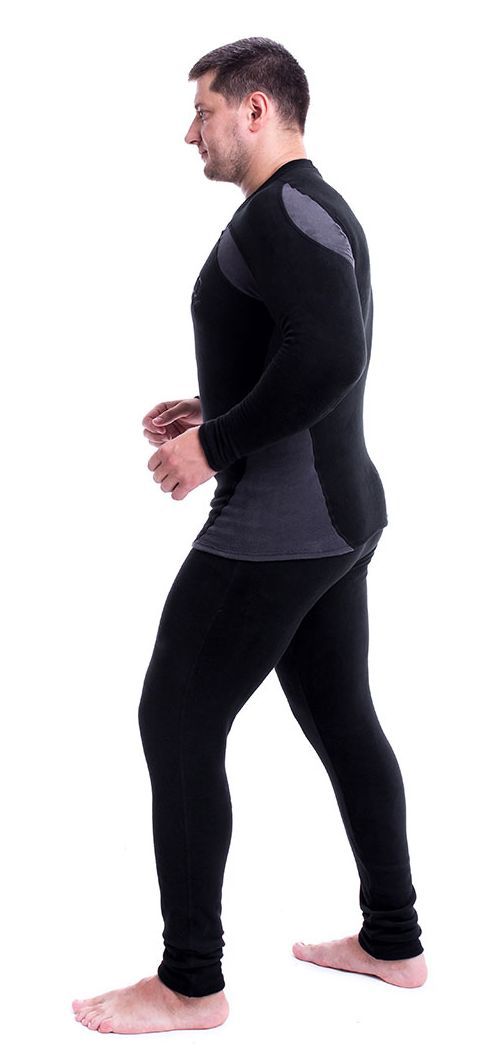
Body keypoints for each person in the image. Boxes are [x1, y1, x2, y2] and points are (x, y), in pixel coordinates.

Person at [72, 36, 428, 1036]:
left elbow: (332, 355)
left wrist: (215, 445)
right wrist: (215, 405)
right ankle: (394, 940)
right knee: (343, 716)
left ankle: (190, 983)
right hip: (338, 515)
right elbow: (301, 350)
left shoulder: (280, 213)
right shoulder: (316, 205)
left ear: (256, 108)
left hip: (281, 524)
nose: (191, 133)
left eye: (203, 111)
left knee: (176, 719)